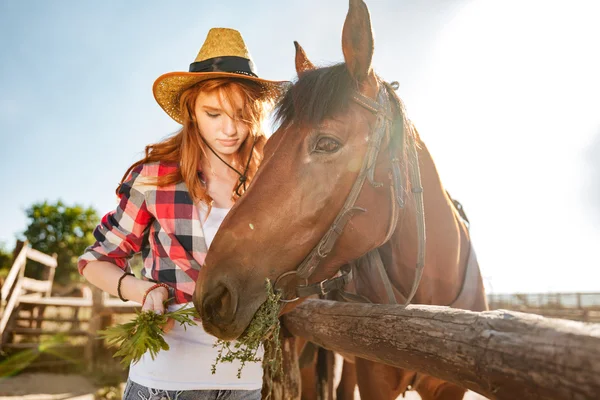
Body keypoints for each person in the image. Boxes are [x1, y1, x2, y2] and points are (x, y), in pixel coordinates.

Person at [78, 28, 287, 400]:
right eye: (213, 113)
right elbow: (95, 261)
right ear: (191, 110)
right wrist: (145, 290)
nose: (229, 129)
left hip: (243, 382)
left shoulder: (268, 185)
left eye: (241, 115)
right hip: (165, 379)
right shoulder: (154, 178)